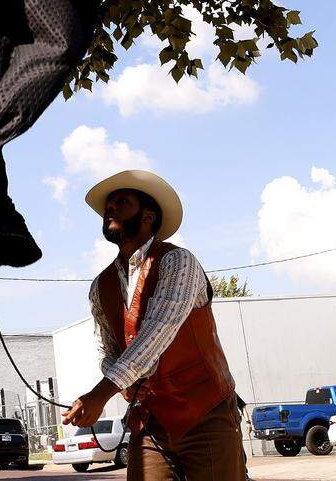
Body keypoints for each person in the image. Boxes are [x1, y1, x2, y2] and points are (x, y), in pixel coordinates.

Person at [61, 170, 248, 480]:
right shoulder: (100, 286)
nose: (110, 208)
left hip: (206, 412)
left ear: (148, 216)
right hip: (149, 421)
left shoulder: (178, 262)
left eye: (122, 201)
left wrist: (100, 394)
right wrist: (120, 381)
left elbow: (156, 333)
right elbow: (107, 348)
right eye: (108, 204)